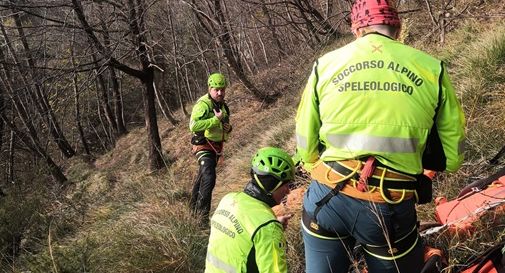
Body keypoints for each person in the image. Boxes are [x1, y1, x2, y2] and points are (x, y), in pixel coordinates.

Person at [295, 0, 466, 272]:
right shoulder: (432, 68)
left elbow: (305, 142)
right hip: (389, 206)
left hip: (326, 196)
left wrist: (312, 161)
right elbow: (454, 152)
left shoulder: (325, 65)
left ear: (357, 30)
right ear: (397, 28)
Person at [205, 147, 294, 273]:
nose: (288, 191)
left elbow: (240, 236)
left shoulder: (228, 199)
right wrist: (271, 230)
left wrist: (269, 229)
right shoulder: (268, 227)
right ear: (273, 184)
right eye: (286, 185)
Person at [189, 73, 232, 224]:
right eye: (216, 90)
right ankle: (202, 219)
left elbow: (225, 124)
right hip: (203, 145)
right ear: (209, 88)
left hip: (216, 148)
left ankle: (192, 210)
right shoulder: (203, 104)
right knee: (209, 178)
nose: (220, 93)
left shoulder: (223, 105)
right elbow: (193, 126)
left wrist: (227, 128)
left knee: (202, 177)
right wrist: (215, 120)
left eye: (222, 89)